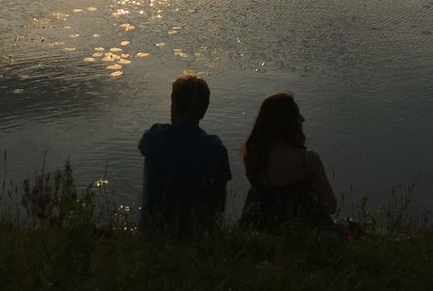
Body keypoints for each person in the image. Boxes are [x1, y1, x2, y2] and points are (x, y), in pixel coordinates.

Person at [138, 72, 231, 232]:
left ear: (173, 103)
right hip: (198, 234)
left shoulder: (154, 136)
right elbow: (219, 203)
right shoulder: (215, 148)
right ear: (204, 110)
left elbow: (143, 147)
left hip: (153, 231)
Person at [239, 92, 337, 231]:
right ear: (287, 123)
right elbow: (330, 206)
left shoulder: (253, 155)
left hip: (260, 229)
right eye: (297, 115)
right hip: (302, 232)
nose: (302, 120)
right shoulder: (307, 159)